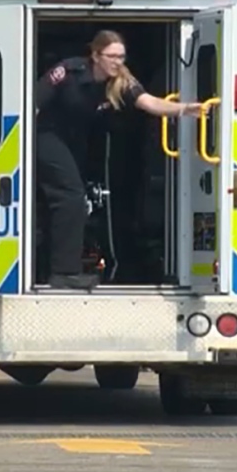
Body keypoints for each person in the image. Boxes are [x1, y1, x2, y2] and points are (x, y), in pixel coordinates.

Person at [35, 29, 202, 289]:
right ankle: (64, 272)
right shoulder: (68, 71)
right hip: (46, 136)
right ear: (95, 55)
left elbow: (149, 103)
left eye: (121, 56)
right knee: (70, 195)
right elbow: (32, 103)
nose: (117, 62)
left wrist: (184, 109)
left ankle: (58, 267)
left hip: (74, 141)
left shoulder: (122, 81)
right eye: (111, 56)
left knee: (71, 200)